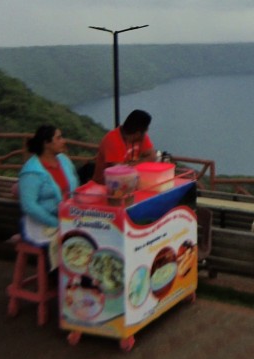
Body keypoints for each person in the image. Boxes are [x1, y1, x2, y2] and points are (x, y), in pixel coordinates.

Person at [18, 126, 80, 265]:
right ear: (46, 143)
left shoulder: (63, 160)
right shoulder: (32, 171)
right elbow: (29, 206)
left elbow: (74, 185)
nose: (63, 141)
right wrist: (55, 222)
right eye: (58, 138)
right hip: (40, 223)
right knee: (73, 241)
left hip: (66, 215)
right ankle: (61, 276)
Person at [93, 109, 157, 184]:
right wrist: (141, 161)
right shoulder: (113, 140)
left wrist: (130, 165)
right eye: (146, 129)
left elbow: (152, 157)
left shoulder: (141, 137)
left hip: (131, 182)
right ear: (137, 133)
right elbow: (119, 172)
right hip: (106, 186)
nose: (147, 131)